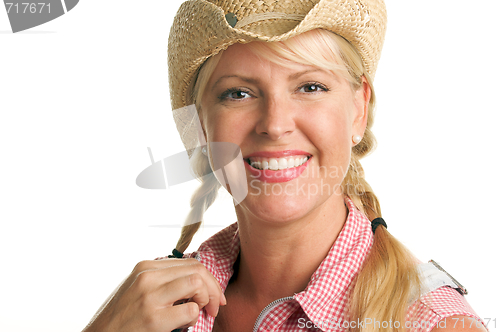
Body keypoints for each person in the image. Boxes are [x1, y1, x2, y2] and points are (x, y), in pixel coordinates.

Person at [82, 0, 488, 331]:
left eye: (311, 87)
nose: (275, 125)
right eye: (238, 93)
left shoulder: (434, 324)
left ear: (358, 110)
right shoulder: (149, 313)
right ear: (202, 126)